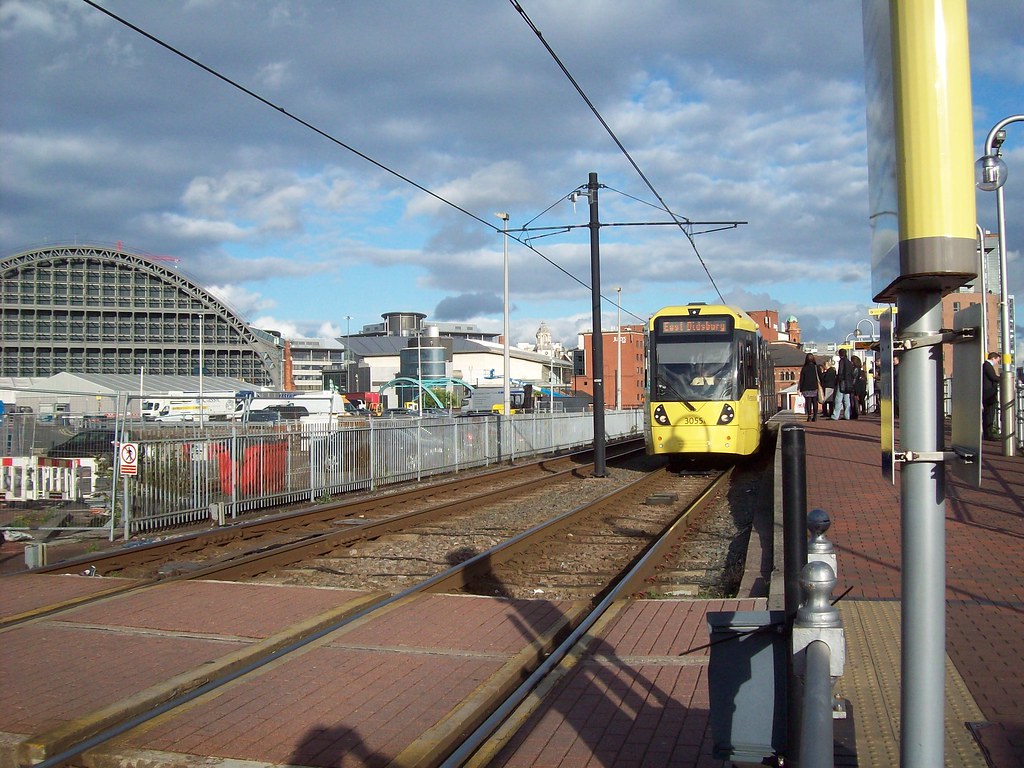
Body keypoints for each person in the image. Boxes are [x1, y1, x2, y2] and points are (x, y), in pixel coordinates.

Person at [831, 348, 854, 420]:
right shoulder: (849, 362)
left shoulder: (842, 361)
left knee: (838, 399)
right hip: (848, 383)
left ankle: (835, 416)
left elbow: (840, 372)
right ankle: (847, 415)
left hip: (842, 382)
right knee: (847, 400)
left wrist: (838, 380)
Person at [798, 353, 822, 421]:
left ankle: (809, 416)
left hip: (806, 387)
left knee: (808, 401)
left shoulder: (804, 368)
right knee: (815, 401)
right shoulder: (816, 367)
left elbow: (802, 379)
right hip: (814, 386)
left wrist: (801, 388)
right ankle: (815, 416)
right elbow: (820, 377)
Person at [982, 352, 1000, 440]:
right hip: (989, 394)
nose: (997, 363)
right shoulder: (987, 365)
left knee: (987, 414)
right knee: (989, 414)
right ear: (993, 358)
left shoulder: (985, 365)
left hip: (987, 394)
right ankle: (988, 435)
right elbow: (993, 377)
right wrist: (1004, 378)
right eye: (997, 360)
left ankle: (988, 434)